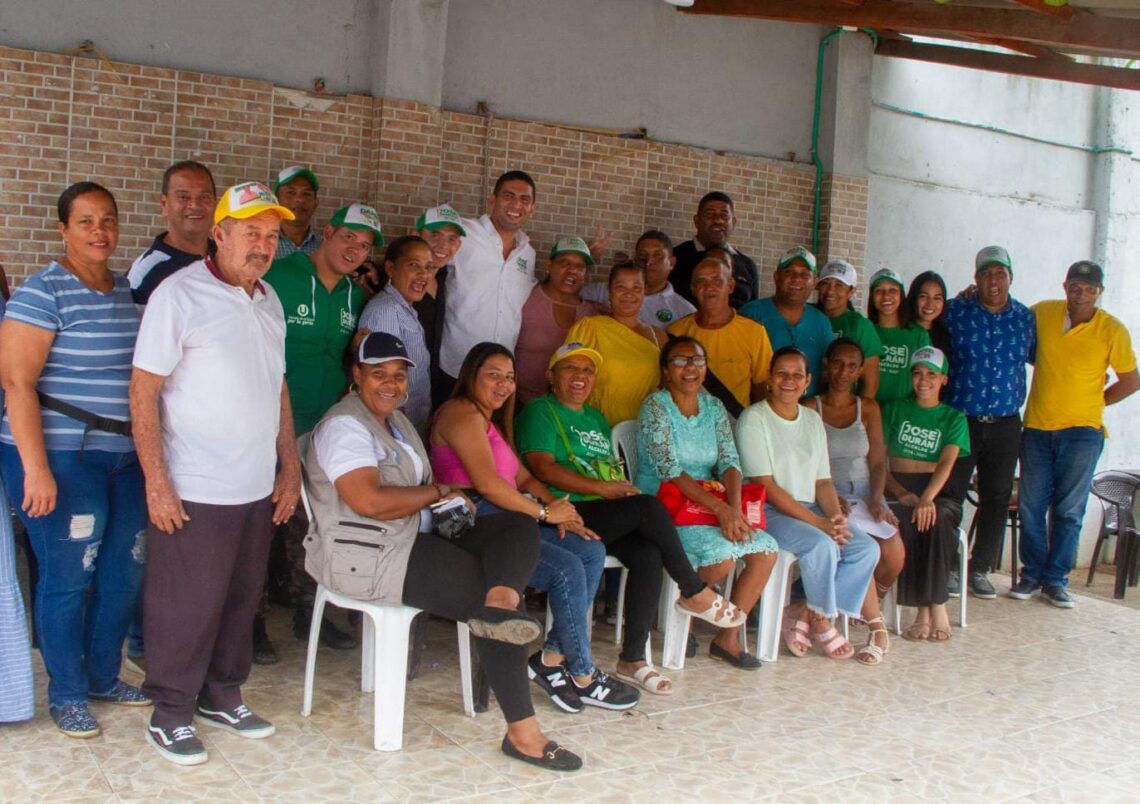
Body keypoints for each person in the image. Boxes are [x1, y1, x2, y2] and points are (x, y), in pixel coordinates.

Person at [304, 331, 582, 771]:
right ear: (356, 375)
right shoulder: (344, 426)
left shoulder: (396, 423)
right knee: (491, 599)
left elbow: (427, 495)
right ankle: (523, 733)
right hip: (370, 555)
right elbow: (370, 502)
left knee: (515, 522)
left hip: (413, 539)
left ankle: (500, 603)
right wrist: (438, 490)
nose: (391, 384)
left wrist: (446, 500)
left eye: (398, 374)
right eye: (379, 374)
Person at [130, 181, 301, 765]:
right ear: (219, 233)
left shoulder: (269, 299)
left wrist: (290, 465)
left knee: (240, 599)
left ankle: (222, 693)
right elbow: (143, 390)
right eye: (250, 232)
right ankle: (171, 710)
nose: (262, 245)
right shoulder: (178, 296)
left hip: (255, 484)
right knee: (186, 603)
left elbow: (277, 385)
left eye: (272, 235)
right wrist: (157, 480)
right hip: (195, 485)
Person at [0, 182, 149, 737]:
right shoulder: (42, 294)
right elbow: (16, 383)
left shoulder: (126, 291)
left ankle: (102, 677)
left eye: (107, 220)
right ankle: (65, 692)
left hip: (125, 456)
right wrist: (36, 469)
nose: (99, 232)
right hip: (62, 457)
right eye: (85, 222)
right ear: (63, 230)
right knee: (68, 576)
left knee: (122, 572)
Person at [518, 342, 749, 688]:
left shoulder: (595, 417)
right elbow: (542, 469)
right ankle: (694, 589)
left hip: (601, 508)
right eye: (570, 368)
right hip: (564, 509)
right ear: (551, 376)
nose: (580, 376)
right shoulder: (540, 411)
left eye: (587, 370)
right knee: (650, 507)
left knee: (648, 554)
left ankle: (632, 658)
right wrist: (605, 491)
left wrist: (620, 487)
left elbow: (607, 472)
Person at [431, 343, 639, 713]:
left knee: (589, 550)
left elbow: (523, 476)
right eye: (493, 374)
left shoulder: (488, 421)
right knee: (566, 569)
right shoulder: (460, 413)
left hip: (507, 516)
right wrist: (544, 514)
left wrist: (561, 510)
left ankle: (553, 658)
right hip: (477, 522)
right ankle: (584, 674)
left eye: (510, 377)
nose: (503, 384)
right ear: (471, 375)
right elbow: (488, 484)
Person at [263, 202, 383, 659]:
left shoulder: (355, 297)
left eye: (366, 244)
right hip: (268, 423)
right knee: (262, 525)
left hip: (321, 430)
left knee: (310, 527)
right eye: (349, 236)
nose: (355, 248)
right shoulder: (280, 275)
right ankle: (254, 624)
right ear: (328, 233)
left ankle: (306, 614)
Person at [634, 336, 777, 669]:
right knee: (723, 557)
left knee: (765, 551)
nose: (690, 369)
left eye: (697, 361)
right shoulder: (655, 406)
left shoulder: (713, 407)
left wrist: (736, 511)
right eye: (680, 361)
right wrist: (722, 511)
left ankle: (726, 639)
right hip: (664, 504)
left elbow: (730, 461)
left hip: (709, 504)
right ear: (665, 371)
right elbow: (668, 470)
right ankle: (688, 616)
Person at [736, 347, 880, 661]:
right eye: (781, 374)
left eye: (797, 375)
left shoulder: (812, 420)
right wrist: (820, 525)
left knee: (866, 548)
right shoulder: (754, 419)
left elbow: (823, 482)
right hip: (768, 510)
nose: (789, 380)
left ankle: (805, 611)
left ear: (808, 381)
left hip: (810, 508)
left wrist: (835, 519)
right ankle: (822, 619)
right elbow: (767, 487)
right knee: (821, 545)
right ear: (769, 380)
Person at [1012, 261, 1140, 607]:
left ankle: (1056, 580)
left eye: (1089, 288)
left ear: (1099, 291)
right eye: (1075, 286)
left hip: (1083, 433)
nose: (1081, 293)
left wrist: (1094, 402)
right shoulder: (1044, 313)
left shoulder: (1112, 329)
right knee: (1030, 506)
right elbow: (1010, 320)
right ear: (1065, 286)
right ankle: (1031, 576)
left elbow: (1131, 380)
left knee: (1069, 509)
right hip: (1037, 428)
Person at [944, 246, 1035, 600]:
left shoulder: (1026, 319)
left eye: (1000, 273)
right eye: (986, 274)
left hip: (1006, 422)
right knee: (951, 493)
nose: (993, 280)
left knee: (996, 496)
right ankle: (950, 565)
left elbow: (1041, 358)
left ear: (1010, 277)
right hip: (961, 419)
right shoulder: (956, 312)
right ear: (975, 278)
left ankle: (979, 568)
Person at [810, 338, 902, 665]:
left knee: (893, 554)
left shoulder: (869, 407)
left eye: (852, 366)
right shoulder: (810, 407)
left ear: (861, 370)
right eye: (838, 363)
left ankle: (860, 606)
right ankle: (875, 626)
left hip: (865, 491)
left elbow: (878, 461)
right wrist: (830, 498)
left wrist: (877, 498)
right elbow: (807, 465)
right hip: (827, 492)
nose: (843, 372)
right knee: (863, 550)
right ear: (826, 364)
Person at [882, 347, 970, 641]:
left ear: (943, 379)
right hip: (899, 488)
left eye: (931, 375)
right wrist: (900, 492)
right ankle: (923, 608)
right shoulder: (894, 409)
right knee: (904, 521)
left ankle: (935, 605)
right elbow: (879, 461)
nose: (923, 381)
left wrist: (927, 498)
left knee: (938, 518)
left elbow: (946, 463)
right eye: (918, 373)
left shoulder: (954, 417)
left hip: (938, 489)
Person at [438, 170, 538, 388]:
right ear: (492, 200)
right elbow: (426, 259)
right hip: (456, 366)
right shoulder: (463, 232)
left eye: (524, 199)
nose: (516, 205)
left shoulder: (528, 254)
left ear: (532, 209)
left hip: (500, 375)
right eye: (508, 196)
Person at [668, 257, 773, 416]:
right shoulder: (676, 332)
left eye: (717, 280)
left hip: (736, 423)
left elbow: (763, 387)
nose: (709, 287)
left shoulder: (754, 331)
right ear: (693, 289)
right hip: (688, 425)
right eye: (701, 281)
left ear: (730, 286)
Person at [564, 263, 665, 425]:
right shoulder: (590, 327)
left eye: (636, 288)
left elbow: (665, 387)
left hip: (642, 428)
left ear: (644, 292)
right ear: (609, 292)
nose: (628, 294)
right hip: (593, 425)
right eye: (621, 287)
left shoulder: (658, 336)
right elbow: (566, 378)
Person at [359, 235, 438, 433]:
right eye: (414, 265)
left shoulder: (404, 308)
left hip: (411, 425)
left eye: (428, 267)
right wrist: (397, 438)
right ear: (390, 268)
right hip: (397, 430)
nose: (423, 275)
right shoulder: (386, 311)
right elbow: (386, 383)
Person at [740, 246, 833, 396]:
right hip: (760, 410)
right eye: (789, 272)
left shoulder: (821, 322)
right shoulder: (752, 313)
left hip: (807, 412)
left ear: (815, 282)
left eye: (805, 275)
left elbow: (827, 373)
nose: (797, 279)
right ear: (776, 276)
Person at [515, 237, 598, 404]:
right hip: (516, 400)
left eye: (579, 266)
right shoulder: (526, 297)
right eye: (565, 263)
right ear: (549, 266)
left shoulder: (590, 314)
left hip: (563, 409)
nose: (572, 271)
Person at [128, 160, 217, 305]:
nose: (194, 204)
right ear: (164, 204)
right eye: (183, 196)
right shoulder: (146, 272)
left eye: (204, 197)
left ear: (215, 202)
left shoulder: (226, 258)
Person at [582, 230, 696, 327]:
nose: (648, 262)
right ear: (635, 260)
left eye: (657, 255)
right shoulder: (602, 291)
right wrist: (586, 259)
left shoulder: (684, 311)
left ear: (671, 263)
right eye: (642, 255)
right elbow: (568, 298)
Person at [415, 204, 466, 408]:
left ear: (458, 246)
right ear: (417, 235)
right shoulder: (397, 278)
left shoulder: (445, 277)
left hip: (431, 385)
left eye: (451, 239)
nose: (443, 245)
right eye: (435, 235)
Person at [671, 192, 759, 308]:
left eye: (724, 216)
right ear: (697, 221)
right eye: (710, 215)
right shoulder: (674, 259)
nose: (718, 220)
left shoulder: (747, 265)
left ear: (733, 222)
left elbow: (752, 310)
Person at [815, 260, 882, 399]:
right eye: (825, 283)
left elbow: (870, 384)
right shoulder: (808, 316)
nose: (830, 291)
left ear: (851, 291)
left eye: (839, 285)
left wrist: (858, 414)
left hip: (841, 408)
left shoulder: (860, 325)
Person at [867, 268, 930, 406]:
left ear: (901, 295)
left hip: (902, 415)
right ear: (872, 297)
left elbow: (926, 378)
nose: (886, 296)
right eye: (879, 291)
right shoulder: (864, 330)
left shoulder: (919, 335)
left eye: (893, 290)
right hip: (869, 412)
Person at [273, 165, 321, 259]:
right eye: (291, 192)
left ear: (316, 203)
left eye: (306, 194)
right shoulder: (262, 244)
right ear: (276, 200)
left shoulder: (324, 248)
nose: (299, 199)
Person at [907, 271, 951, 355]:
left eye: (937, 298)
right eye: (923, 296)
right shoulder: (899, 328)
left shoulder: (944, 336)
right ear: (913, 297)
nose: (930, 304)